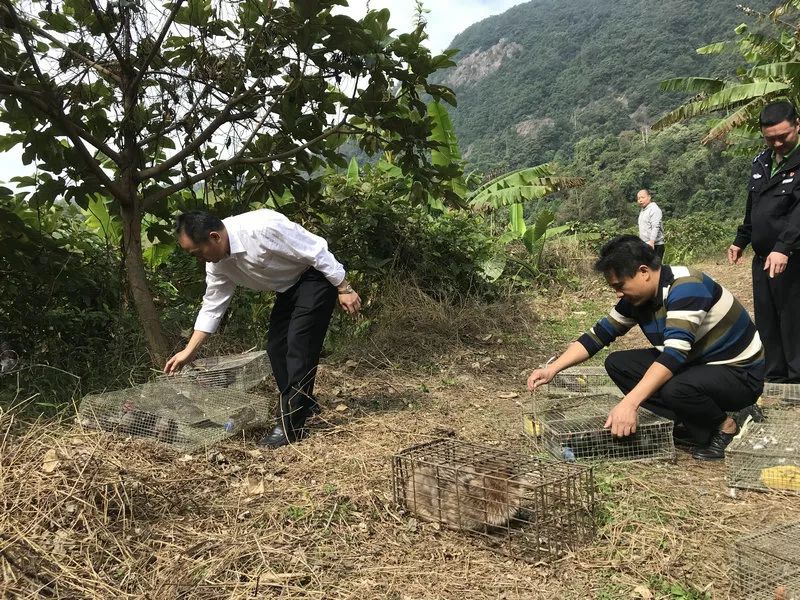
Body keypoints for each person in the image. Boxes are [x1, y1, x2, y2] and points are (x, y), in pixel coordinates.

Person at [528, 235, 764, 461]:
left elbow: (674, 355)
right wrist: (553, 369)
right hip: (697, 363)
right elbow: (597, 336)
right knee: (618, 364)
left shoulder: (686, 287)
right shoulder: (638, 298)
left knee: (676, 387)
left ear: (643, 272)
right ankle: (689, 421)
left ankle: (726, 425)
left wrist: (629, 404)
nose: (618, 293)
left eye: (620, 285)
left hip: (738, 372)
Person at [164, 209, 361, 448]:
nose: (199, 259)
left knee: (299, 346)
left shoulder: (262, 228)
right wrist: (189, 351)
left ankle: (291, 425)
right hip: (288, 289)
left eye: (198, 253)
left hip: (315, 277)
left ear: (214, 237)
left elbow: (316, 250)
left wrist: (344, 288)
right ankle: (303, 402)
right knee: (276, 348)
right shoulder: (217, 265)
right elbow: (212, 307)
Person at [729, 100, 800, 384]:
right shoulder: (761, 161)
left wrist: (784, 247)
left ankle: (797, 379)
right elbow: (753, 204)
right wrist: (741, 239)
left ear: (798, 125)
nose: (778, 143)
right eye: (771, 138)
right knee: (768, 318)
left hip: (792, 255)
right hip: (763, 258)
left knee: (793, 317)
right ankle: (775, 376)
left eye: (784, 136)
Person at [636, 189, 665, 259]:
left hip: (655, 245)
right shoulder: (643, 211)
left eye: (642, 197)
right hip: (645, 245)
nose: (640, 200)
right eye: (638, 198)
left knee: (654, 269)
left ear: (649, 197)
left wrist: (652, 242)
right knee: (645, 268)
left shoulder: (654, 209)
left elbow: (655, 227)